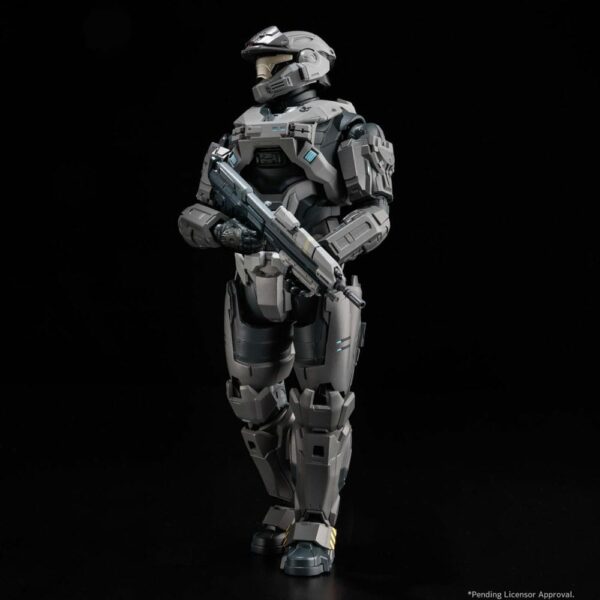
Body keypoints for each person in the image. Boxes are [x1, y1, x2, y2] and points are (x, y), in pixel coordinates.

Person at [178, 26, 394, 576]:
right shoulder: (239, 130)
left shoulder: (347, 127)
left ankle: (316, 524)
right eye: (259, 66)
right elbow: (195, 213)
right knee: (252, 403)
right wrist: (228, 231)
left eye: (273, 64)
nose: (264, 76)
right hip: (253, 279)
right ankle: (283, 503)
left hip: (318, 283)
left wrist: (326, 251)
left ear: (309, 63)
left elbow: (375, 214)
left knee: (321, 406)